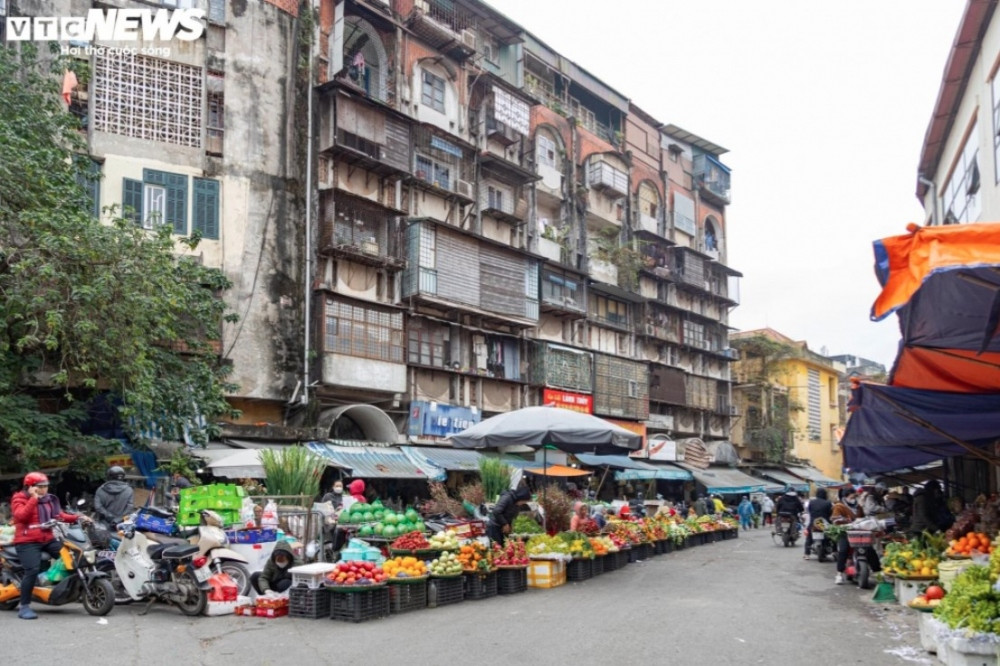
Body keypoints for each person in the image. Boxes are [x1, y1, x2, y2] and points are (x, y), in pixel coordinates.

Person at [11, 472, 90, 620]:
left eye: (45, 486)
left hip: (47, 539)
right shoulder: (19, 498)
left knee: (72, 558)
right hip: (27, 541)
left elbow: (59, 515)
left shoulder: (48, 500)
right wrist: (33, 498)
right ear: (30, 487)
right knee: (32, 570)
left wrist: (78, 518)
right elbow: (21, 516)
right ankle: (24, 606)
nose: (44, 489)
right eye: (40, 487)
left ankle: (63, 588)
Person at [832, 488, 860, 584]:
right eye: (853, 496)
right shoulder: (839, 506)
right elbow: (834, 519)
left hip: (857, 531)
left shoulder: (858, 506)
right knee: (843, 551)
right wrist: (844, 520)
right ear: (846, 496)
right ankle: (839, 574)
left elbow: (863, 516)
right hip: (844, 532)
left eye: (855, 496)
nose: (854, 498)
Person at [803, 488, 833, 560]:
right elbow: (830, 513)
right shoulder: (828, 503)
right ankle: (834, 551)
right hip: (824, 523)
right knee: (830, 537)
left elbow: (810, 511)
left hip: (813, 522)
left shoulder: (811, 502)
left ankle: (807, 554)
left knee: (809, 537)